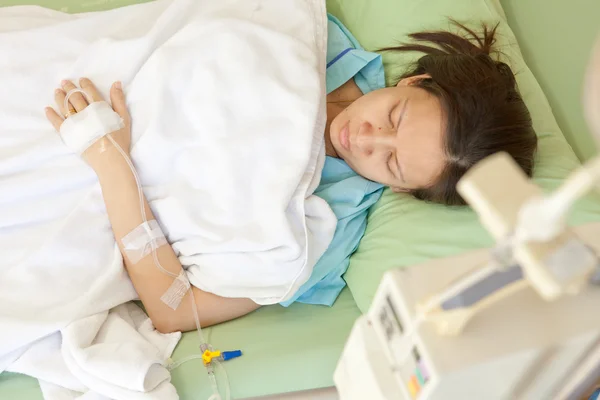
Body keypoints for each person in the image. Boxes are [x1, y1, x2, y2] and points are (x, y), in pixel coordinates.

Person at [43, 16, 537, 333]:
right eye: (395, 116)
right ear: (414, 80)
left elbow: (175, 307)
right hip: (74, 74)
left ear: (406, 188)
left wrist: (111, 162)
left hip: (85, 169)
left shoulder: (327, 229)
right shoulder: (304, 33)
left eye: (391, 164)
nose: (364, 139)